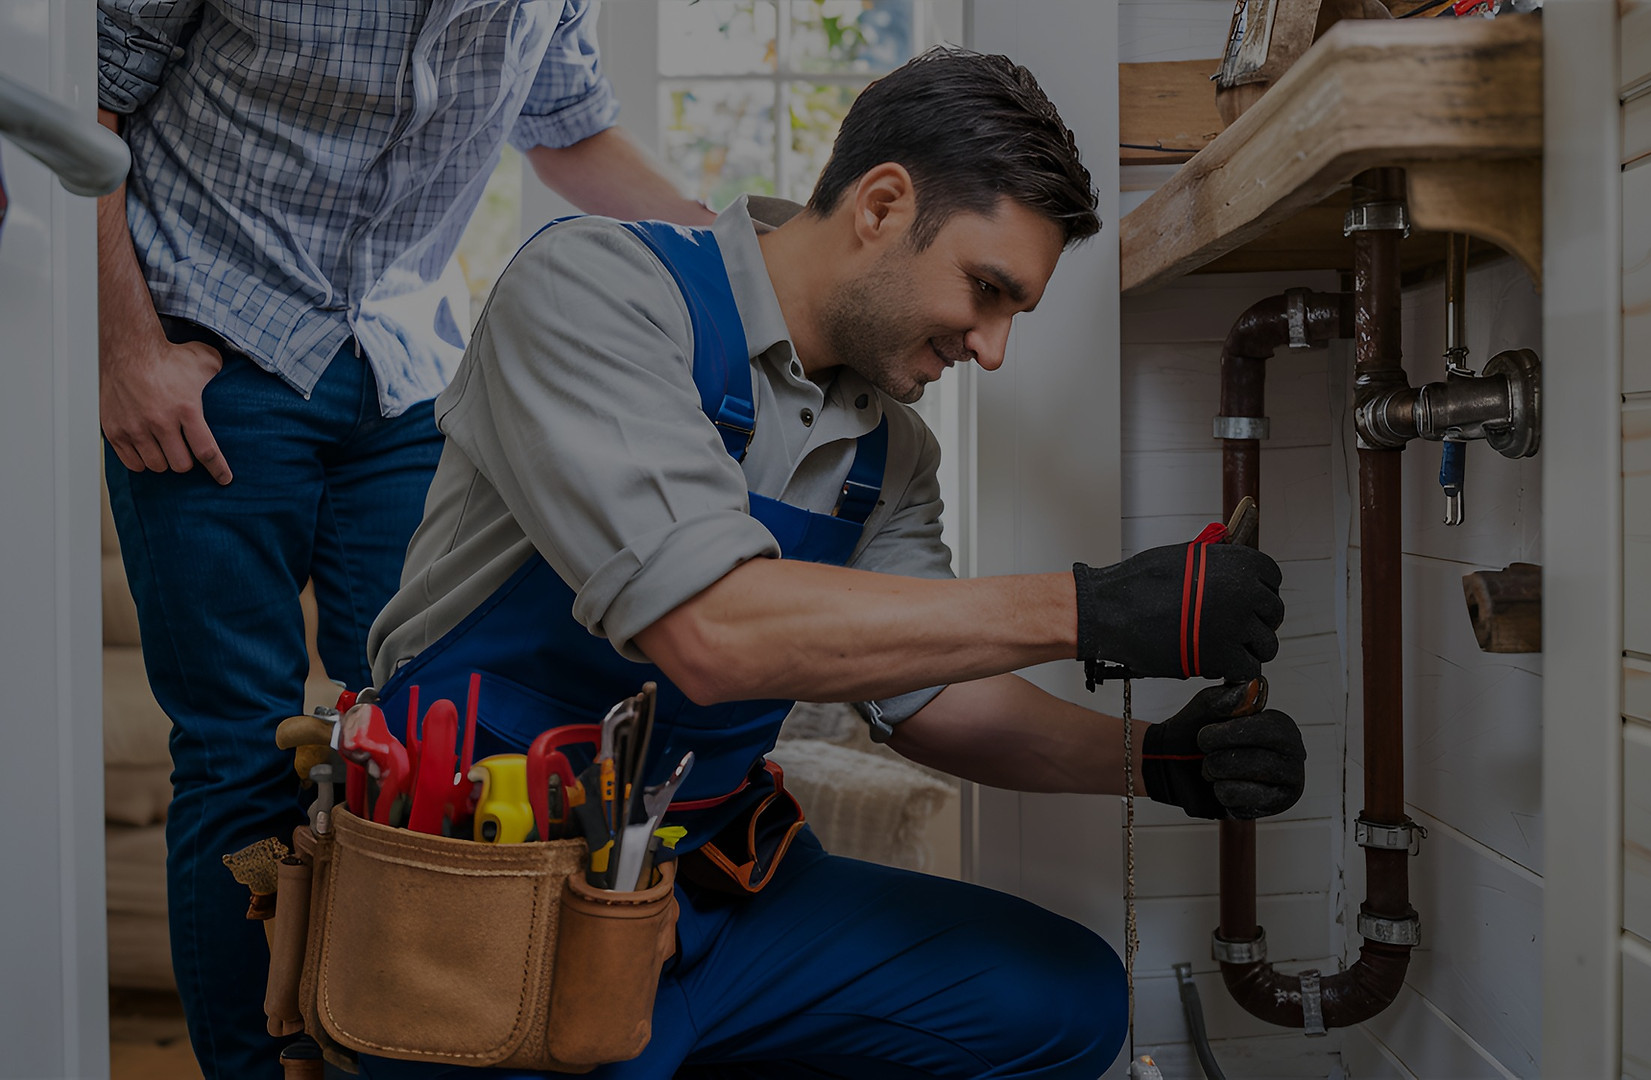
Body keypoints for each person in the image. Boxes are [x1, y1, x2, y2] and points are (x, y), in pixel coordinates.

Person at [364, 49, 1308, 1078]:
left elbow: (933, 698)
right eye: (985, 291)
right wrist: (1091, 609)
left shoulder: (889, 452)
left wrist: (1155, 761)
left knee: (1059, 999)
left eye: (1014, 313)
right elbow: (711, 632)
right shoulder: (598, 292)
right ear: (883, 204)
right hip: (498, 908)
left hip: (714, 896)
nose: (991, 349)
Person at [94, 2, 710, 1074]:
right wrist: (123, 348)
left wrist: (746, 253)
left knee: (436, 730)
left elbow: (568, 131)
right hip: (210, 354)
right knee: (242, 753)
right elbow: (79, 106)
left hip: (409, 375)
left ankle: (393, 1052)